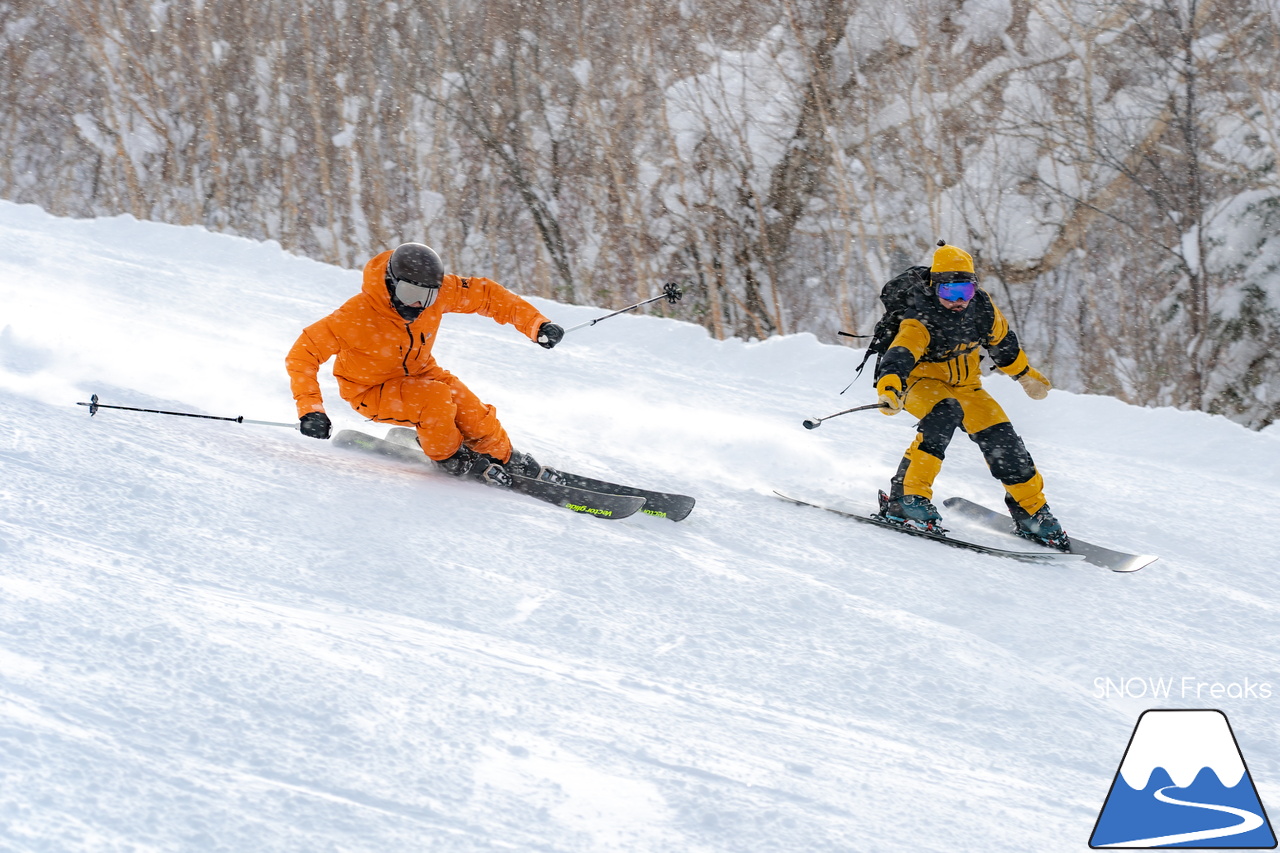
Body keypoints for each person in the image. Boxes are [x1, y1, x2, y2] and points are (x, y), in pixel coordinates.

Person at [285, 242, 564, 484]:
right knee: (437, 399)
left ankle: (502, 455)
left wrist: (536, 324)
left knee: (471, 411)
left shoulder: (436, 295)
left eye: (428, 296)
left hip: (421, 372)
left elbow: (488, 296)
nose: (419, 304)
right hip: (370, 390)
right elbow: (303, 354)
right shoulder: (356, 315)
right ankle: (451, 458)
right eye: (410, 294)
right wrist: (311, 411)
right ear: (392, 283)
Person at [872, 241, 1070, 550]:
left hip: (967, 386)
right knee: (944, 413)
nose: (957, 301)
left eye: (964, 292)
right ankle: (906, 498)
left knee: (1003, 439)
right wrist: (889, 387)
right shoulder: (920, 315)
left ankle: (1032, 512)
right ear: (935, 289)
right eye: (949, 293)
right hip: (918, 383)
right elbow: (901, 353)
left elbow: (1004, 345)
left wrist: (1026, 376)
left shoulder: (982, 308)